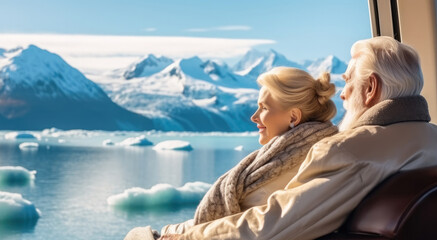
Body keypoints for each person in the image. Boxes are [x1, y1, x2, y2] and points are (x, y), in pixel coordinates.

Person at [151, 36, 437, 240]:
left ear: (371, 88)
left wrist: (183, 236)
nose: (343, 93)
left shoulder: (349, 150)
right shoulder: (431, 140)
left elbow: (272, 227)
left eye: (349, 80)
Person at [124, 67, 339, 239]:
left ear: (293, 117)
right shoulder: (288, 155)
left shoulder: (309, 161)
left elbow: (258, 226)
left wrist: (186, 235)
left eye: (263, 108)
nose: (254, 117)